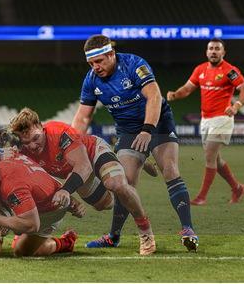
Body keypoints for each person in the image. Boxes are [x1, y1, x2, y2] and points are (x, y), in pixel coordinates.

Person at [71, 34, 198, 251]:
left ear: (111, 54)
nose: (95, 67)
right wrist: (71, 144)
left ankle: (188, 229)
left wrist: (147, 130)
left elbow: (155, 97)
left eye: (99, 61)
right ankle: (113, 236)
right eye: (91, 63)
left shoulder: (134, 64)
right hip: (128, 131)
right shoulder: (91, 79)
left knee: (169, 169)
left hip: (157, 124)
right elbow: (83, 117)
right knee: (123, 182)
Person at [10, 108, 156, 255]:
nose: (33, 146)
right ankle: (125, 162)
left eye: (36, 138)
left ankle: (146, 233)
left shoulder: (59, 132)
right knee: (105, 204)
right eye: (26, 142)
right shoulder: (21, 151)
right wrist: (71, 200)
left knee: (116, 184)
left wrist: (66, 190)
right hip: (74, 173)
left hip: (92, 153)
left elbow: (84, 165)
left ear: (41, 127)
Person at [167, 38, 244, 205]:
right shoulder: (200, 70)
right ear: (206, 52)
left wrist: (236, 105)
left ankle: (201, 197)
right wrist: (176, 94)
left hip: (223, 119)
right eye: (211, 48)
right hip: (206, 120)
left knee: (209, 156)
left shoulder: (230, 71)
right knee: (216, 160)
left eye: (217, 49)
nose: (213, 51)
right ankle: (237, 187)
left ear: (223, 52)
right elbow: (188, 88)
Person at [0, 154, 83, 257]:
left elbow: (32, 225)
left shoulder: (13, 187)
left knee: (21, 252)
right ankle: (17, 222)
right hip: (38, 195)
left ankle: (66, 242)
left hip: (50, 210)